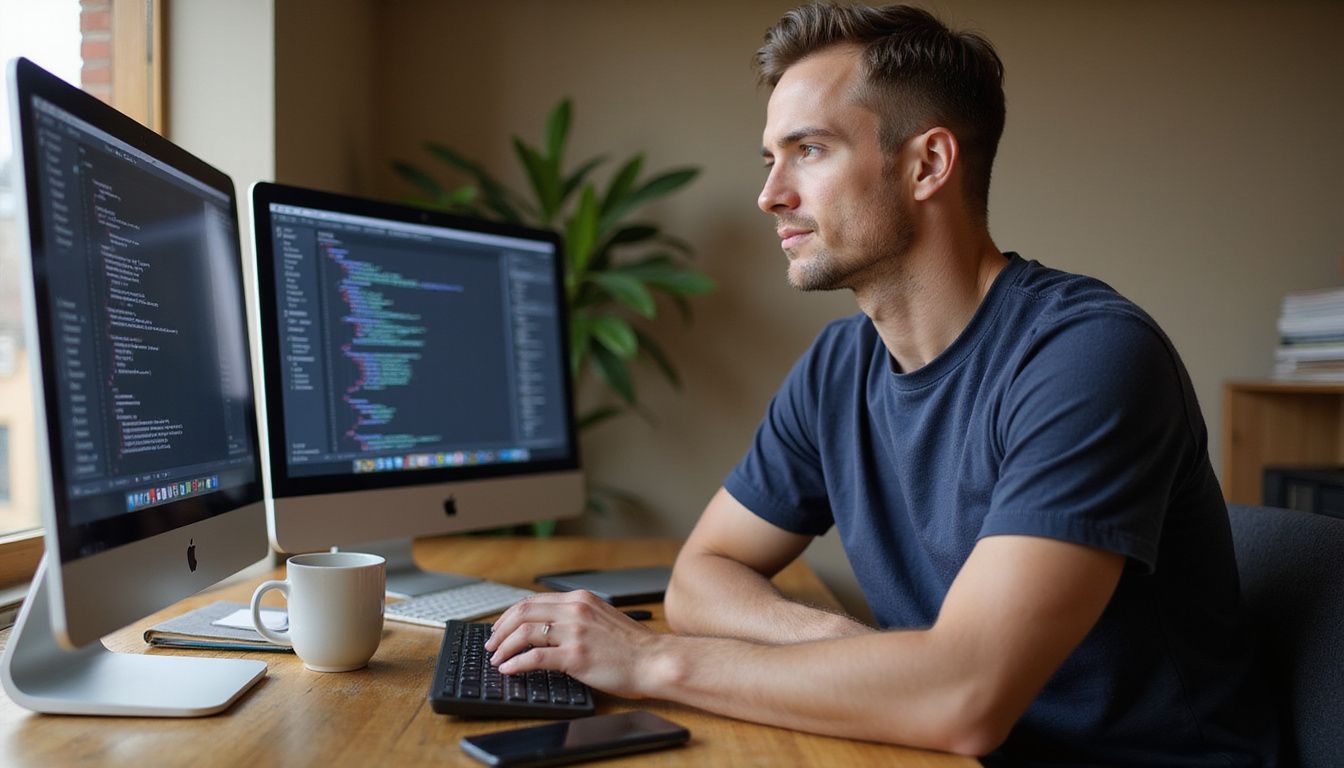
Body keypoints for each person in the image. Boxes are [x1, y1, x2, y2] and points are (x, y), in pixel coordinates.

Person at [485, 4, 1277, 764]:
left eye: (810, 150)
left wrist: (653, 663)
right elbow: (702, 576)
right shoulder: (839, 367)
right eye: (772, 158)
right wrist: (853, 651)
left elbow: (962, 698)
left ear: (927, 163)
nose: (771, 195)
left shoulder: (1087, 357)